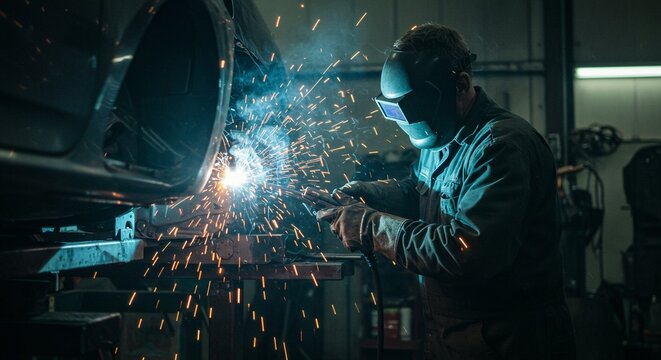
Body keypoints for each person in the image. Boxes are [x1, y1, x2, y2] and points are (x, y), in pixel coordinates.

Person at [311, 24, 576, 359]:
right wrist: (372, 195)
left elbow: (465, 252)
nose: (407, 121)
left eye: (414, 108)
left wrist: (372, 226)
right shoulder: (443, 135)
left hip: (509, 341)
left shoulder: (501, 147)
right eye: (396, 111)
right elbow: (422, 194)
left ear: (460, 84)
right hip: (452, 337)